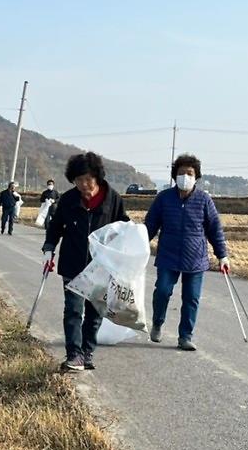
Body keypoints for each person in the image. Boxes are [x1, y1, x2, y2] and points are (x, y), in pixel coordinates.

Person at [42, 152, 129, 371]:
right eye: (78, 180)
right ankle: (74, 355)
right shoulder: (69, 199)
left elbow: (123, 228)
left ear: (97, 177)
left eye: (87, 179)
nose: (83, 184)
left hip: (101, 267)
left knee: (94, 313)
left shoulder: (113, 199)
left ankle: (87, 351)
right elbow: (55, 227)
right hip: (72, 263)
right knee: (72, 310)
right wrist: (49, 248)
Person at [145, 154, 229, 351]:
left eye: (189, 173)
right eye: (181, 173)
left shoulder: (204, 200)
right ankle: (158, 322)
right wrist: (137, 244)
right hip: (168, 255)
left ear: (196, 176)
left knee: (191, 298)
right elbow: (150, 225)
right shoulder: (164, 199)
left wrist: (222, 255)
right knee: (163, 291)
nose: (185, 176)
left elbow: (214, 229)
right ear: (175, 176)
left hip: (196, 258)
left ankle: (185, 336)